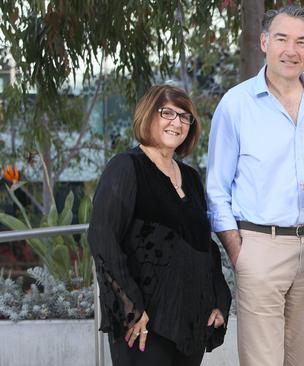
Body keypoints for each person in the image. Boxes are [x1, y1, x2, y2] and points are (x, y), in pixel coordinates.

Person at [205, 4, 304, 366]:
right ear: (265, 42)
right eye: (282, 39)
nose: (291, 50)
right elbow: (216, 189)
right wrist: (239, 252)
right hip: (259, 249)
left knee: (299, 360)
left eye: (301, 41)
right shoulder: (235, 105)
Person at [88, 85, 232, 366]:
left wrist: (218, 299)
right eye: (167, 113)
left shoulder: (190, 177)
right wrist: (132, 310)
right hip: (145, 324)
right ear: (147, 115)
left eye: (184, 117)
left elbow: (204, 245)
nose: (176, 122)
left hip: (191, 322)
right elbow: (102, 238)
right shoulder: (125, 167)